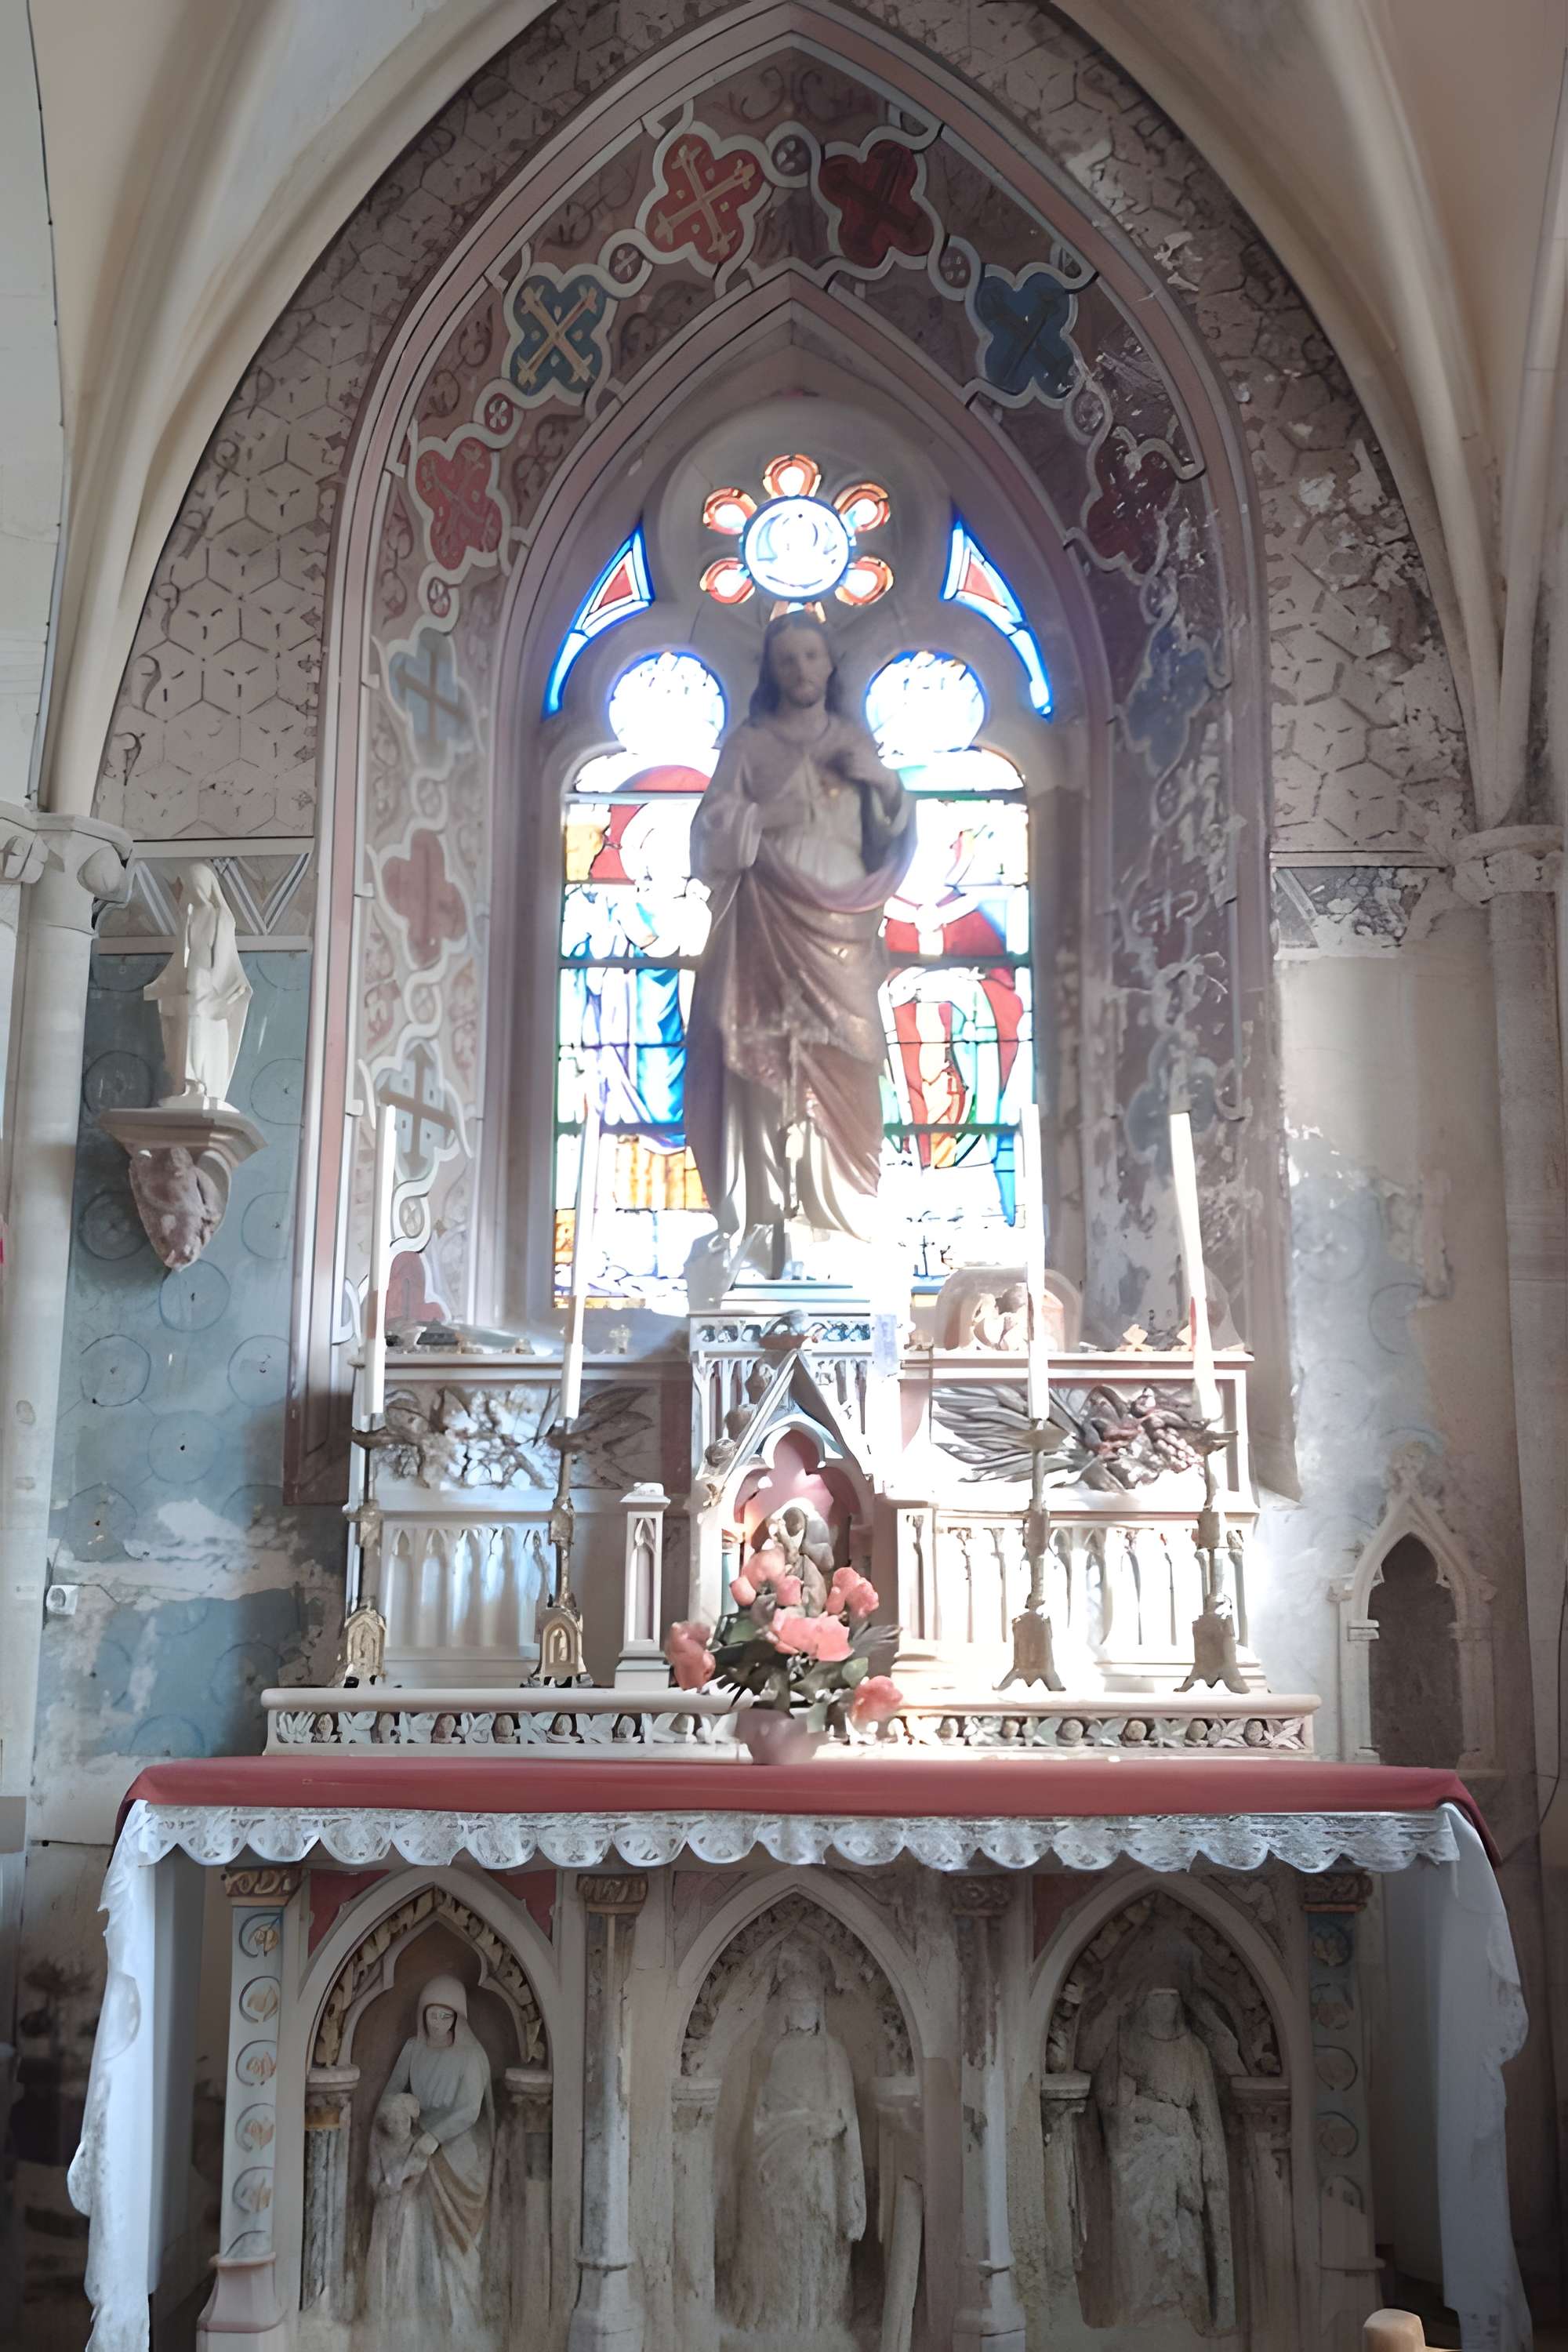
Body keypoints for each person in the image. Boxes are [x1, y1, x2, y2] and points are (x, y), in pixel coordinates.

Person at [686, 614, 914, 1277]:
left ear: (829, 665)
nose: (802, 670)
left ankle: (843, 1213)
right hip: (765, 906)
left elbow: (894, 837)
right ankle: (764, 1219)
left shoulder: (854, 742)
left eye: (812, 656)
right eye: (788, 659)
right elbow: (708, 834)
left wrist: (884, 782)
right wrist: (760, 820)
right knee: (762, 1059)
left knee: (850, 1051)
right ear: (772, 670)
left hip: (844, 913)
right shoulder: (749, 745)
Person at [724, 1962, 866, 2342]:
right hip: (776, 2164)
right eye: (791, 2001)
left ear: (818, 2006)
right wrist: (767, 2149)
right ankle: (778, 2318)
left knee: (816, 2244)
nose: (798, 2008)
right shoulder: (775, 2052)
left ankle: (818, 2320)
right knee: (777, 2241)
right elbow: (760, 2114)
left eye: (805, 2001)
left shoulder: (831, 2052)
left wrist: (851, 2187)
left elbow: (844, 2116)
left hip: (818, 2165)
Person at [366, 1973, 494, 2338]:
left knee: (459, 2247)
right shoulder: (412, 2049)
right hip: (417, 2151)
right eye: (432, 2015)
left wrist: (433, 2139)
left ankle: (463, 2324)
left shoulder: (471, 2057)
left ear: (459, 2019)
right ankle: (419, 2320)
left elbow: (470, 2110)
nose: (438, 2024)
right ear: (422, 2015)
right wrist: (398, 2112)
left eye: (446, 2017)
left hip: (458, 2157)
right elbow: (390, 2094)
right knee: (417, 2235)